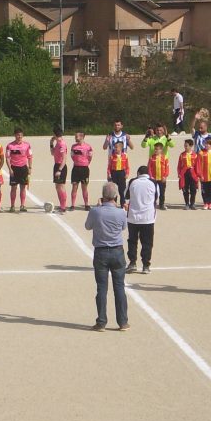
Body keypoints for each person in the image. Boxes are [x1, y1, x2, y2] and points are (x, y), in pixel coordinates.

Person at [85, 181, 129, 331]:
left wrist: (97, 208)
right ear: (115, 196)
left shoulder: (95, 211)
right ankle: (123, 322)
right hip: (117, 251)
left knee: (101, 288)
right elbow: (123, 227)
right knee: (119, 288)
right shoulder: (121, 212)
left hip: (101, 252)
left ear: (103, 196)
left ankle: (101, 322)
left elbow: (87, 226)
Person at [126, 165, 157, 274]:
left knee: (132, 241)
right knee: (147, 242)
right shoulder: (153, 183)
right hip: (148, 217)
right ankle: (146, 265)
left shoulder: (132, 182)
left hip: (133, 217)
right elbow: (156, 198)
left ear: (138, 173)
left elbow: (126, 196)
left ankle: (132, 263)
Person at [6, 128, 33, 212]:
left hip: (23, 168)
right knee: (13, 188)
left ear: (23, 135)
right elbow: (7, 158)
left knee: (23, 187)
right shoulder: (9, 146)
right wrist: (10, 169)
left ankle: (22, 205)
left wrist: (30, 168)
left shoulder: (27, 145)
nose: (19, 136)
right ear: (15, 135)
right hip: (14, 168)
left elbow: (30, 157)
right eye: (18, 135)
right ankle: (12, 206)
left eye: (21, 135)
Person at [69, 131, 93, 211]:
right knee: (74, 187)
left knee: (84, 187)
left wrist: (85, 163)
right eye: (75, 136)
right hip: (76, 168)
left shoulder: (88, 147)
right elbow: (72, 156)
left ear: (82, 137)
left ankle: (86, 204)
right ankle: (72, 205)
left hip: (84, 169)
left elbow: (90, 157)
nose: (75, 138)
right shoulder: (73, 146)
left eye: (77, 136)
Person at [50, 126, 69, 214]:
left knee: (61, 187)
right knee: (57, 187)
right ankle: (61, 205)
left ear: (54, 134)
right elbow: (52, 153)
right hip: (56, 165)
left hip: (61, 166)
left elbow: (64, 159)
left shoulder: (62, 144)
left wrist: (60, 170)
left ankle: (63, 207)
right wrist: (51, 143)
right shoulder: (57, 143)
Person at [177, 139, 200, 209]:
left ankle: (192, 203)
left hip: (193, 173)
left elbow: (197, 165)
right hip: (184, 174)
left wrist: (198, 175)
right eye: (184, 145)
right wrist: (179, 173)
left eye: (186, 146)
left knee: (193, 189)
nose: (185, 147)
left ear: (191, 146)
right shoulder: (182, 155)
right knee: (185, 189)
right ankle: (187, 203)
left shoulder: (195, 155)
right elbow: (179, 165)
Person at [106, 141, 130, 207]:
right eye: (114, 147)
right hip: (114, 173)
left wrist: (127, 174)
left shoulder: (125, 156)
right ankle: (114, 204)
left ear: (121, 148)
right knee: (114, 190)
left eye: (117, 147)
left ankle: (123, 204)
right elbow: (109, 167)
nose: (115, 148)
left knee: (122, 190)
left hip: (122, 173)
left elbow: (127, 166)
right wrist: (109, 174)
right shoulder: (112, 156)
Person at [147, 144, 170, 210]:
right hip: (154, 178)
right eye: (155, 149)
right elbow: (149, 168)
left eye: (157, 149)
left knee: (162, 192)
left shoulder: (165, 157)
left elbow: (167, 168)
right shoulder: (151, 157)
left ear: (161, 150)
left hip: (162, 178)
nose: (155, 150)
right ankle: (153, 204)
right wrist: (151, 176)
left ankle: (161, 204)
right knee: (153, 192)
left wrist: (165, 176)